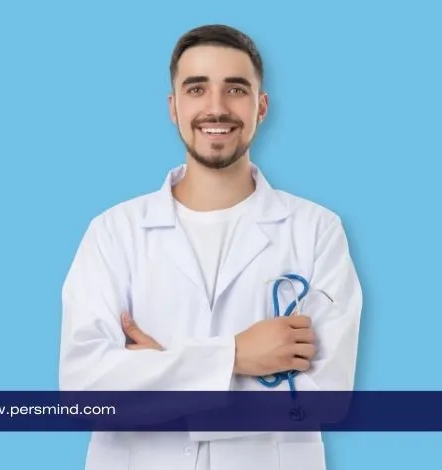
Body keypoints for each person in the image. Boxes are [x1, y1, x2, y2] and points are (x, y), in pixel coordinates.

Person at [58, 24, 363, 470]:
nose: (216, 107)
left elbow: (325, 399)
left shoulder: (317, 231)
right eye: (196, 88)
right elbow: (84, 392)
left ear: (261, 107)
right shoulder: (113, 232)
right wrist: (237, 355)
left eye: (235, 89)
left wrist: (160, 375)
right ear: (173, 107)